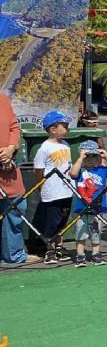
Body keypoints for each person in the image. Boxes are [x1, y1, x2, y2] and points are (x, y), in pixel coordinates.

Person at [0, 95, 39, 264]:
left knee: (16, 207)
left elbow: (15, 128)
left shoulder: (3, 100)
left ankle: (14, 254)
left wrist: (10, 149)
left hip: (8, 167)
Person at [69, 140, 107, 267]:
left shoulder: (101, 170)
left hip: (98, 208)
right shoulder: (80, 171)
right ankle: (80, 255)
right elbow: (72, 173)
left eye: (94, 156)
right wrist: (81, 157)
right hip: (82, 208)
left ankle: (95, 254)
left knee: (95, 232)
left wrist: (105, 155)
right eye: (88, 156)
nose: (91, 159)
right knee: (81, 233)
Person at [34, 111, 74, 264]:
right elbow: (38, 169)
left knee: (63, 221)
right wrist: (41, 186)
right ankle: (49, 249)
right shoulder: (45, 148)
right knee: (52, 222)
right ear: (52, 129)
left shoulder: (66, 145)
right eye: (63, 126)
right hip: (52, 191)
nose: (66, 129)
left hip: (66, 190)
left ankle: (59, 247)